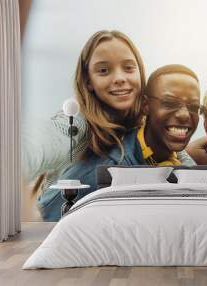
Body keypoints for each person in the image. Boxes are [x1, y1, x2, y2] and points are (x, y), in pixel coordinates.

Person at [39, 64, 200, 221]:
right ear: (145, 105)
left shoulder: (187, 167)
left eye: (194, 107)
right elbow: (44, 216)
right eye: (170, 103)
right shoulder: (97, 171)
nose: (185, 115)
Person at [36, 30, 147, 220]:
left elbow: (178, 158)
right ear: (88, 82)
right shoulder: (76, 122)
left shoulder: (146, 126)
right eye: (104, 70)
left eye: (128, 68)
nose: (119, 78)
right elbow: (54, 135)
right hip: (53, 220)